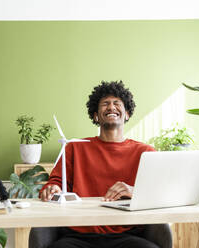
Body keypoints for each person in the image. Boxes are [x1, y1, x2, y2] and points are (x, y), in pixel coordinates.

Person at [40, 81, 158, 248]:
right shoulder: (74, 147)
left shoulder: (145, 152)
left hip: (127, 234)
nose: (111, 107)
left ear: (127, 114)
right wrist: (53, 189)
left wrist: (135, 192)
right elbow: (56, 183)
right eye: (105, 104)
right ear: (95, 116)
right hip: (79, 234)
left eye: (117, 103)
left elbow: (159, 194)